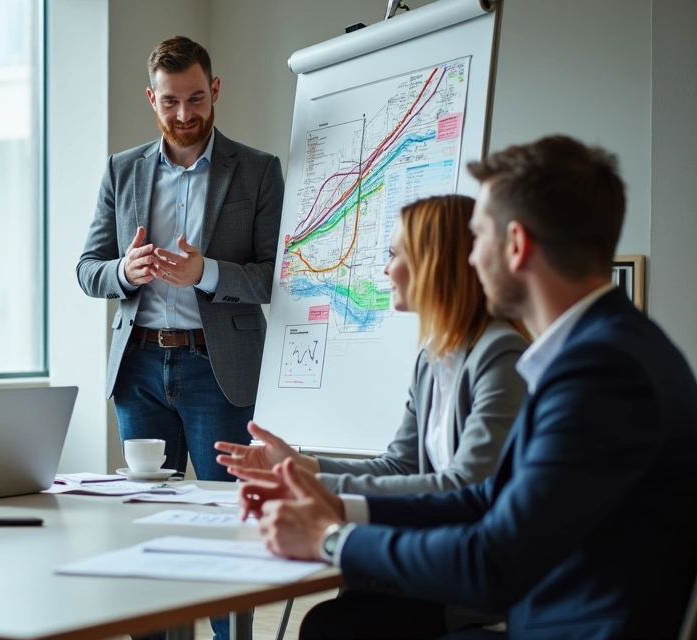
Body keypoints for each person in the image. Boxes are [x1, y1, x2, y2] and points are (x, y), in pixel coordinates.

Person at [235, 136, 697, 640]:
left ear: (516, 245)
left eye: (477, 238)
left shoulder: (600, 371)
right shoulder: (599, 350)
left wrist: (330, 540)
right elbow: (483, 499)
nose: (469, 260)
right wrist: (335, 506)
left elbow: (492, 562)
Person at [216, 194, 530, 498]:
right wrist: (300, 467)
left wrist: (310, 486)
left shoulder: (500, 355)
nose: (386, 269)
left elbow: (464, 486)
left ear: (432, 263)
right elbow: (401, 466)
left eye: (394, 255)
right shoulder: (432, 357)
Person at [77, 36, 285, 483]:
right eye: (170, 101)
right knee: (146, 512)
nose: (185, 115)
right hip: (139, 370)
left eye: (195, 98)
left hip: (221, 369)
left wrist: (205, 272)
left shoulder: (259, 170)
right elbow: (88, 268)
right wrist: (123, 271)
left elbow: (276, 278)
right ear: (153, 99)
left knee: (228, 507)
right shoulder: (122, 169)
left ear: (215, 90)